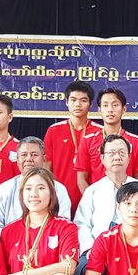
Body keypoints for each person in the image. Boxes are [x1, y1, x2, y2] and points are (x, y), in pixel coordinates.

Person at [0, 167, 80, 275]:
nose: (34, 194)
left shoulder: (65, 227)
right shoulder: (8, 231)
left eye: (41, 188)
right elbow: (1, 274)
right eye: (28, 189)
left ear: (52, 193)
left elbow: (68, 267)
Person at [74, 134, 138, 257]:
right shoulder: (92, 191)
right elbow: (82, 224)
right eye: (111, 153)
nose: (117, 157)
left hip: (134, 252)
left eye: (122, 153)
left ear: (129, 158)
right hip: (96, 251)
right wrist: (90, 249)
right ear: (102, 158)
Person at [0, 137, 71, 239]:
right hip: (10, 245)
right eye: (24, 155)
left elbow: (64, 224)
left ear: (44, 159)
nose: (29, 159)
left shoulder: (58, 189)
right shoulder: (4, 189)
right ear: (17, 160)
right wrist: (12, 244)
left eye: (34, 155)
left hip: (48, 244)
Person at [76, 87, 138, 193]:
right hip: (97, 198)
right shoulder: (87, 141)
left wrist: (130, 199)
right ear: (99, 110)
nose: (110, 110)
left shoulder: (136, 141)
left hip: (127, 199)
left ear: (124, 109)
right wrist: (92, 198)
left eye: (115, 105)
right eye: (105, 105)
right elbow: (81, 179)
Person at [43, 81, 97, 216]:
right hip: (59, 198)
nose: (78, 104)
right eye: (73, 100)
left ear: (91, 104)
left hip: (90, 199)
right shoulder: (54, 130)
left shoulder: (99, 132)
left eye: (83, 100)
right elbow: (46, 167)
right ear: (66, 102)